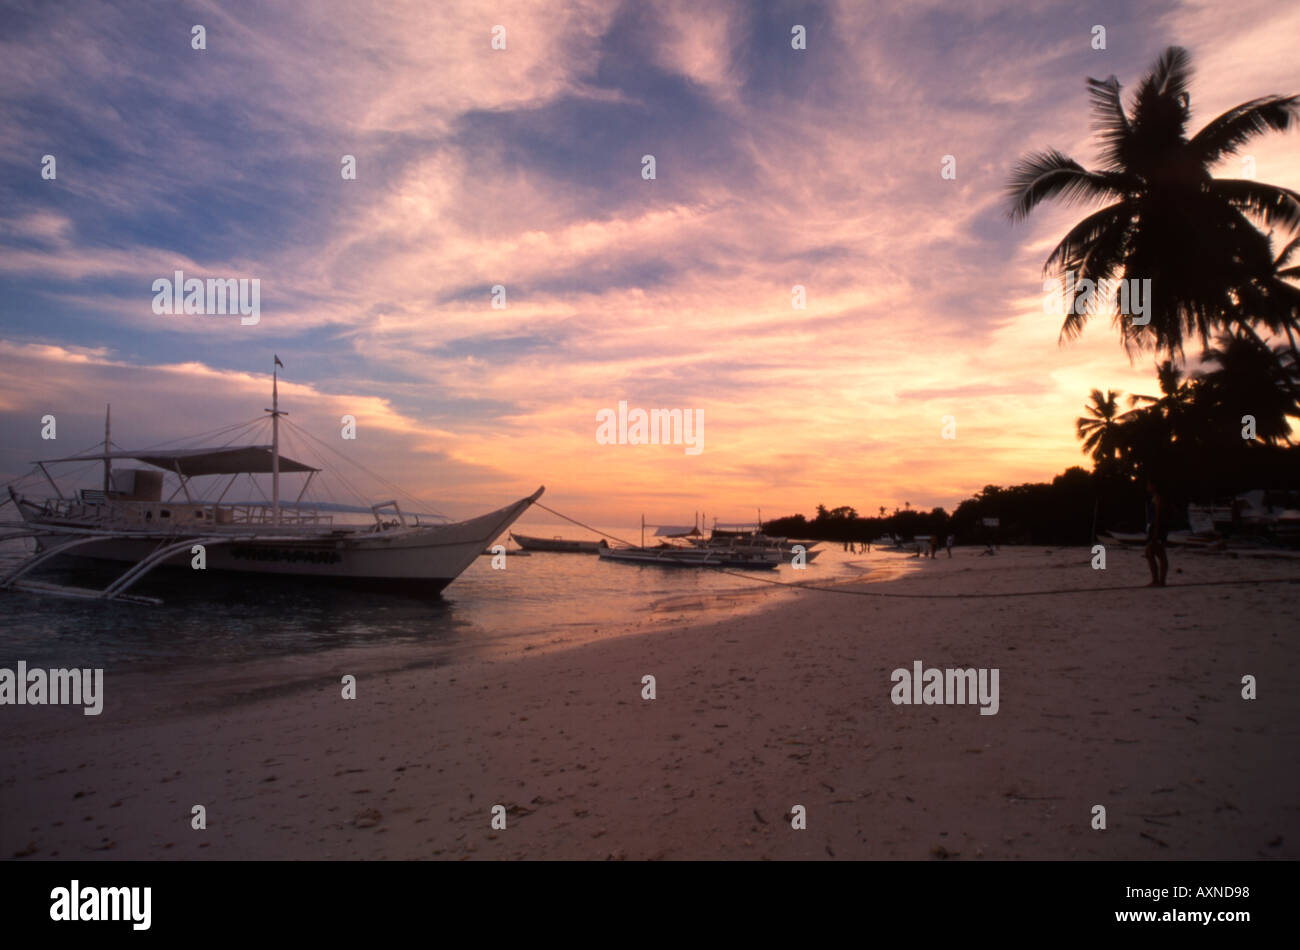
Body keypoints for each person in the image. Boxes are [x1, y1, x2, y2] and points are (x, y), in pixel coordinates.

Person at [1144, 475, 1169, 587]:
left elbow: (1158, 515)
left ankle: (1159, 580)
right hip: (1154, 528)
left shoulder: (1158, 498)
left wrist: (1156, 532)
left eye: (1149, 485)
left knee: (1155, 553)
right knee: (1152, 553)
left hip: (1158, 529)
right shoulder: (1154, 497)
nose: (1147, 487)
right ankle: (1158, 580)